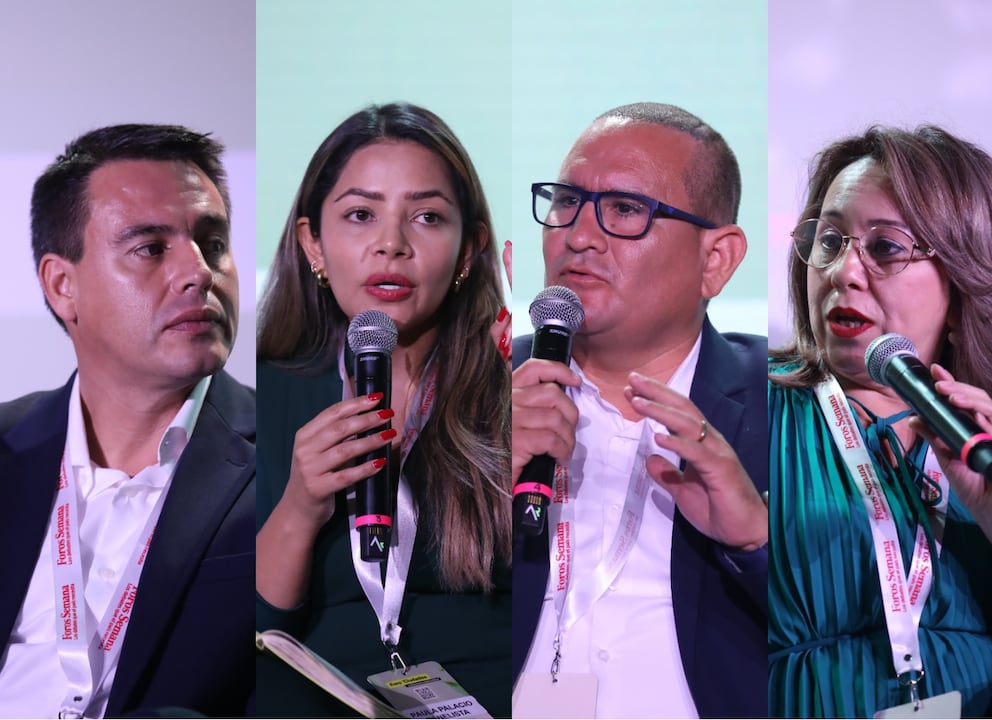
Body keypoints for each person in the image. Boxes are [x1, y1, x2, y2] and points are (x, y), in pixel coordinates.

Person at [254, 103, 512, 717]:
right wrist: (300, 505)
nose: (391, 244)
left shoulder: (518, 388)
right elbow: (253, 630)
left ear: (469, 250)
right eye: (360, 215)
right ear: (313, 242)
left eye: (426, 216)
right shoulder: (259, 397)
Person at [510, 102, 767, 718]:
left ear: (717, 260)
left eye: (625, 209)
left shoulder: (784, 403)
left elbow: (847, 621)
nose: (578, 235)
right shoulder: (479, 389)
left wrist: (757, 538)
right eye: (566, 202)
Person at [767, 126, 992, 717]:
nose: (843, 272)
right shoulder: (757, 408)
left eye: (885, 248)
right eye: (830, 241)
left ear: (962, 284)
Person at [0, 124, 253, 716]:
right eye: (151, 249)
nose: (199, 273)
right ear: (63, 286)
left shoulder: (286, 460)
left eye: (213, 243)